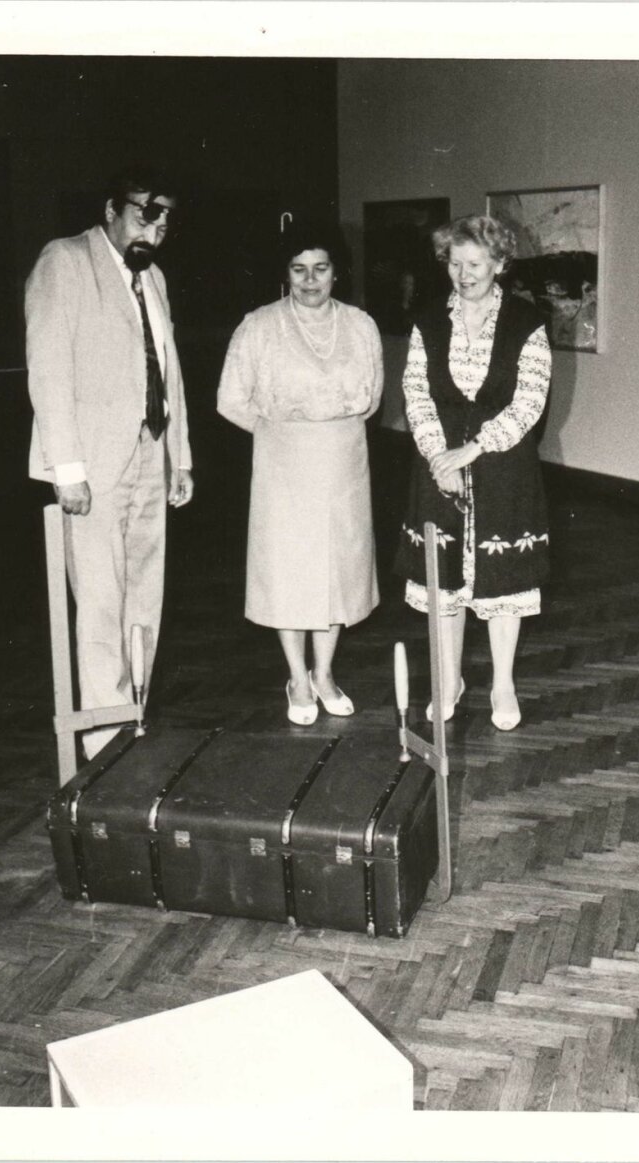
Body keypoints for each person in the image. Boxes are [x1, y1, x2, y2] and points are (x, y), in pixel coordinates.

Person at [26, 166, 194, 759]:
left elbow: (169, 370)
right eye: (145, 215)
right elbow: (48, 369)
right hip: (92, 465)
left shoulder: (154, 278)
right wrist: (67, 469)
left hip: (151, 452)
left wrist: (179, 457)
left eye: (165, 221)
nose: (155, 230)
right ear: (110, 210)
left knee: (145, 596)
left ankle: (134, 716)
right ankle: (103, 739)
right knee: (100, 602)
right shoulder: (65, 261)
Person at [217, 220, 383, 725]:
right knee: (289, 571)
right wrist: (279, 433)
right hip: (283, 465)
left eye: (321, 268)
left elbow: (372, 400)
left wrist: (328, 429)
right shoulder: (259, 325)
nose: (311, 280)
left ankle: (325, 673)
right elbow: (229, 400)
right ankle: (296, 677)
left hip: (343, 463)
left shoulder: (361, 325)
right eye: (299, 269)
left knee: (338, 570)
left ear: (337, 271)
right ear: (285, 273)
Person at [393, 214, 552, 732]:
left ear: (500, 264)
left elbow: (529, 402)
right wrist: (439, 456)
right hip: (438, 465)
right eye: (455, 264)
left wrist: (472, 450)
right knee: (444, 584)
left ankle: (502, 684)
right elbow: (416, 394)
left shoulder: (526, 322)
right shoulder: (428, 321)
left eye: (475, 264)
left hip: (504, 468)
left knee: (503, 584)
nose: (463, 275)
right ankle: (450, 680)